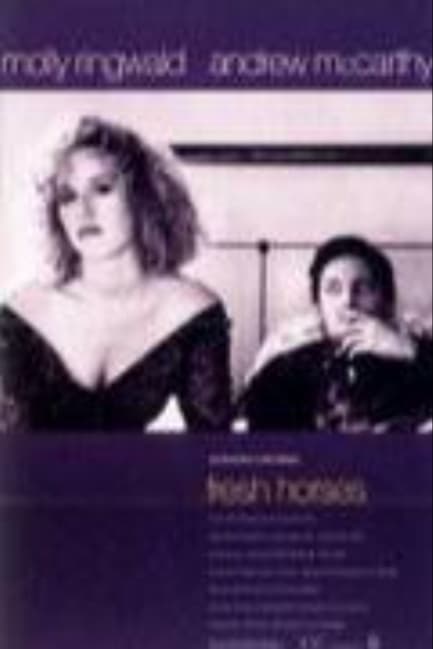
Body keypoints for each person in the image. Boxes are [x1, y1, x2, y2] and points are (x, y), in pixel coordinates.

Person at [0, 116, 232, 433]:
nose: (83, 211)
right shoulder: (22, 313)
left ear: (143, 197)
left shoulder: (192, 311)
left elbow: (211, 447)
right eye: (67, 197)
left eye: (102, 189)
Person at [244, 236, 432, 433]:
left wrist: (409, 351)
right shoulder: (284, 370)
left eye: (363, 288)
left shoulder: (415, 358)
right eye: (333, 289)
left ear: (386, 301)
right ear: (318, 304)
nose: (348, 301)